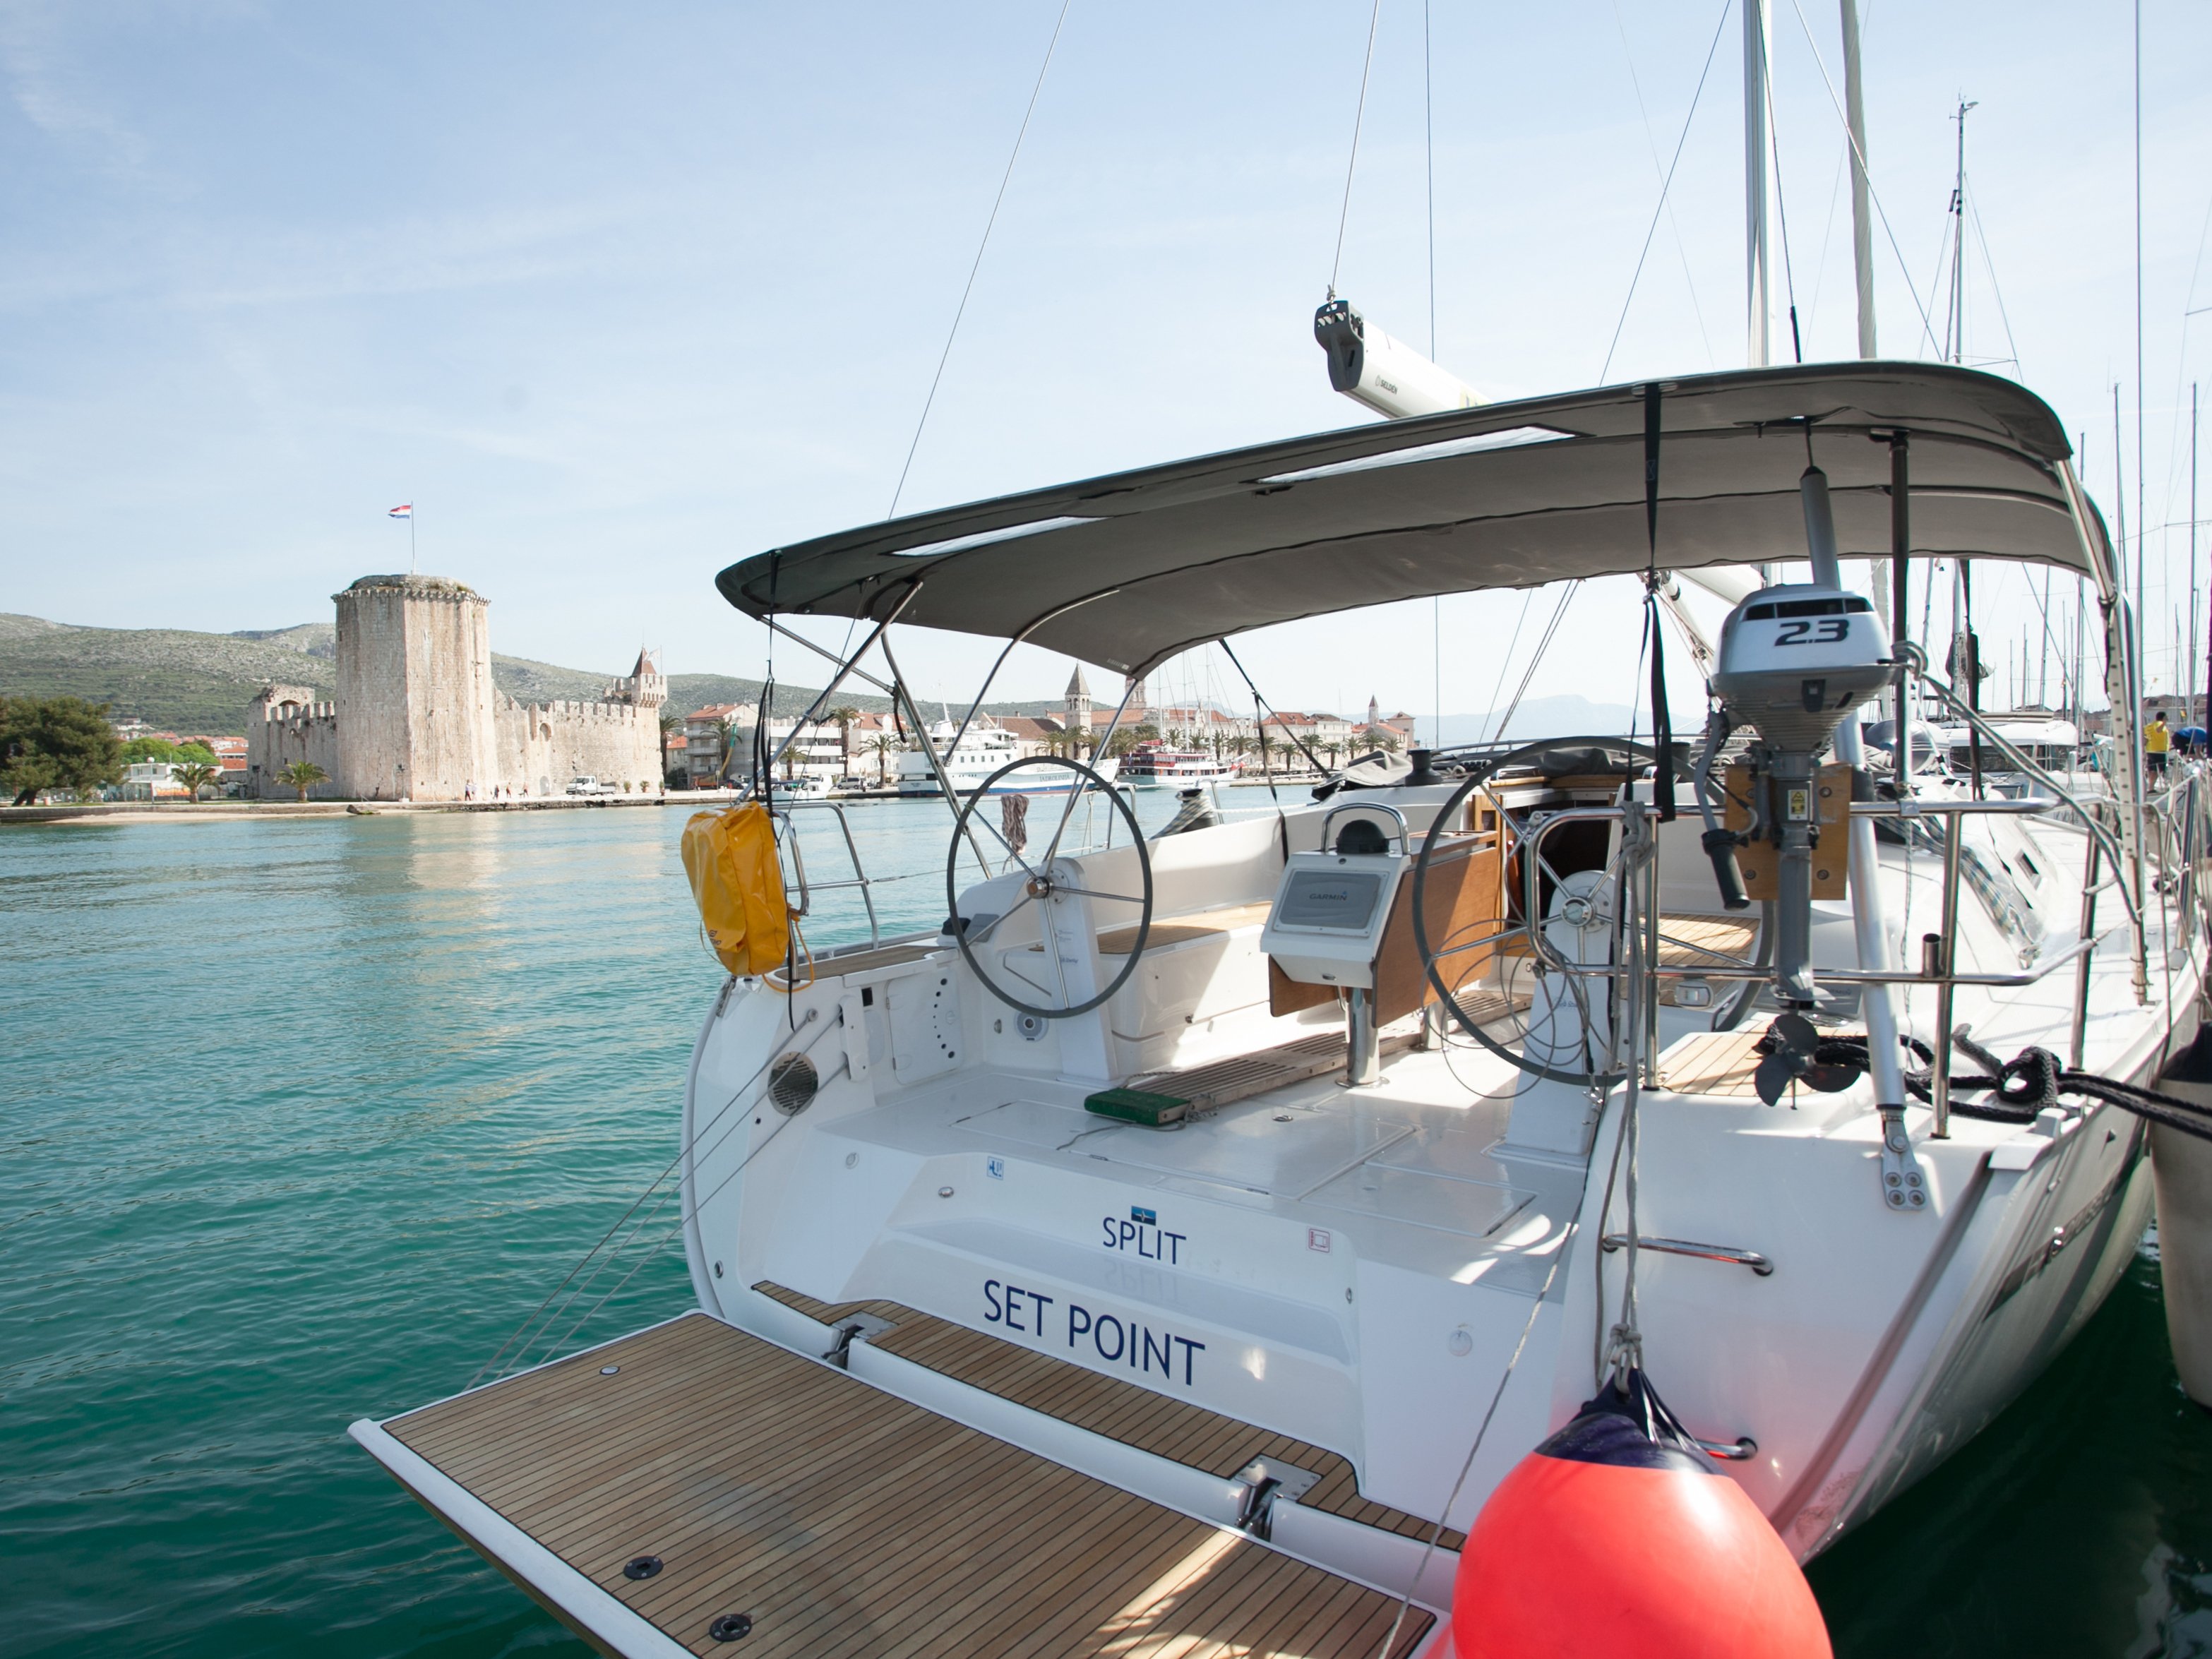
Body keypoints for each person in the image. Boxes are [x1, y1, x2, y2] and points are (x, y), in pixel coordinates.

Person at [2146, 709, 2170, 780]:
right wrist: (2164, 723)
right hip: (2159, 751)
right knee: (2159, 770)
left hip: (2150, 751)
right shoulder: (2159, 723)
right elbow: (2158, 730)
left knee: (2152, 770)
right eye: (2166, 718)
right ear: (2164, 718)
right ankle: (2151, 787)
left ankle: (2150, 787)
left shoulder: (2149, 726)